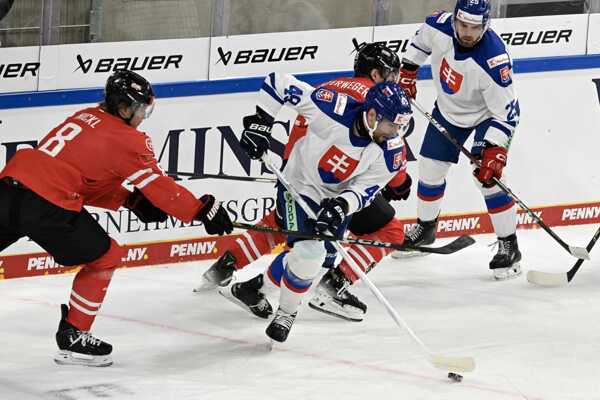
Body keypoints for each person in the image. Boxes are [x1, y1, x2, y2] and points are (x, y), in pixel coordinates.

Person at [0, 70, 233, 367]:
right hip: (46, 205)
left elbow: (81, 177)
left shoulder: (84, 116)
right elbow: (161, 188)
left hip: (7, 190)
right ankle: (75, 335)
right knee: (106, 256)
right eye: (140, 109)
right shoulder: (129, 140)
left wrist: (128, 199)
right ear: (124, 108)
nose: (141, 116)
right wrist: (201, 210)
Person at [198, 43, 412, 322]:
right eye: (391, 75)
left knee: (286, 224)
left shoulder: (333, 87)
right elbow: (386, 156)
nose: (395, 81)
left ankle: (229, 266)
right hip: (332, 179)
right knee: (384, 232)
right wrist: (400, 181)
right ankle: (331, 285)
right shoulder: (371, 105)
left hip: (304, 171)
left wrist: (264, 127)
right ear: (375, 73)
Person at [234, 73, 412, 342]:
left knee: (319, 260)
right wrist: (261, 124)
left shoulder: (392, 151)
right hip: (297, 184)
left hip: (335, 197)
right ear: (373, 114)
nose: (395, 134)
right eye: (390, 126)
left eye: (399, 127)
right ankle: (286, 313)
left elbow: (365, 189)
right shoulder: (331, 107)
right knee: (308, 252)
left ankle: (254, 287)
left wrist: (342, 206)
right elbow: (277, 81)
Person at [397, 0, 522, 280]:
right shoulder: (437, 25)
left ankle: (509, 246)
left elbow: (507, 114)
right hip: (448, 110)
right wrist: (408, 72)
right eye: (463, 25)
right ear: (454, 20)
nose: (467, 32)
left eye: (475, 28)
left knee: (485, 178)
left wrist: (494, 150)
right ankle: (426, 229)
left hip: (485, 117)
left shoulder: (494, 60)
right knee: (429, 167)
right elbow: (420, 43)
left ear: (486, 25)